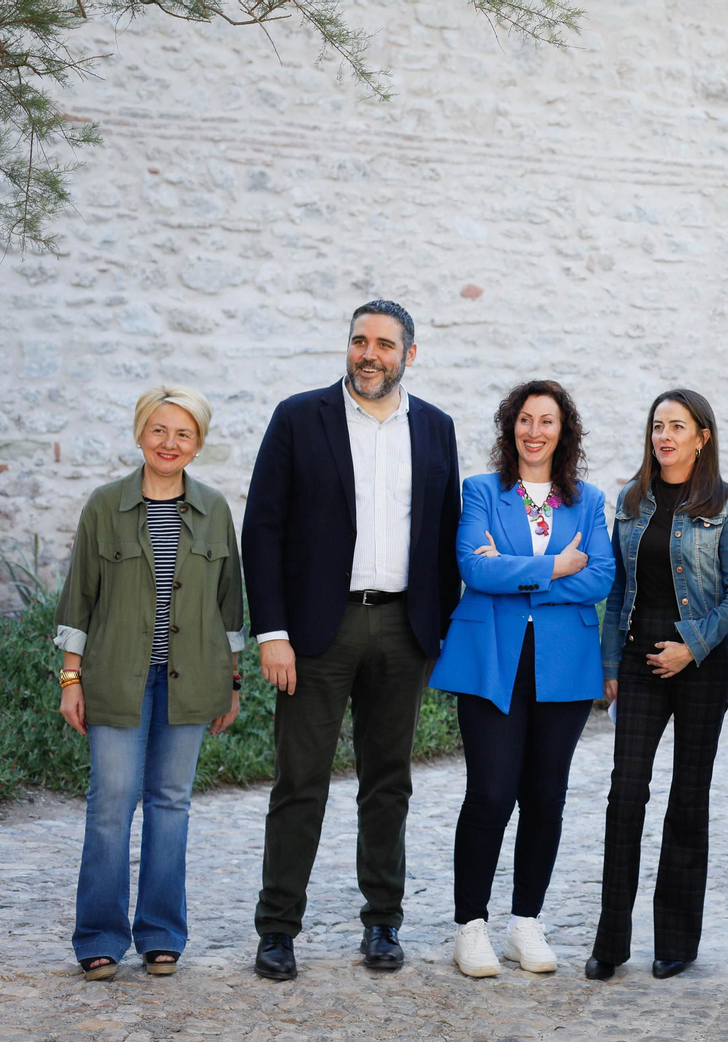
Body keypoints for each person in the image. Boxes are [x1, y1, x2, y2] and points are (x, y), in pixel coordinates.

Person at [242, 299, 462, 980]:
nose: (370, 354)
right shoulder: (298, 417)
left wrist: (437, 631)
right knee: (300, 782)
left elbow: (444, 531)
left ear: (409, 355)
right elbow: (263, 529)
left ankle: (383, 923)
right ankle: (277, 929)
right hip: (315, 630)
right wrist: (272, 632)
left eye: (385, 345)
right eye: (360, 341)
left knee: (388, 782)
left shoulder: (435, 428)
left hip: (403, 627)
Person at [54, 385, 243, 980]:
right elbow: (78, 597)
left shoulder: (215, 509)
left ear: (198, 444)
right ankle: (99, 938)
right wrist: (70, 678)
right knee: (111, 806)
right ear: (141, 434)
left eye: (184, 434)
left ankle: (162, 934)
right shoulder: (104, 505)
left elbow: (228, 604)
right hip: (115, 678)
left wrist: (231, 682)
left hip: (191, 680)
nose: (170, 443)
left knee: (172, 805)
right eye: (160, 430)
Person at [430, 381, 615, 978]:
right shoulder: (482, 491)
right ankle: (471, 926)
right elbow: (471, 567)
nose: (535, 432)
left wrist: (521, 574)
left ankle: (525, 924)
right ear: (511, 427)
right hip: (492, 661)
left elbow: (602, 576)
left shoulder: (587, 500)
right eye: (525, 420)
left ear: (565, 433)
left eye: (548, 422)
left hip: (563, 666)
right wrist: (557, 567)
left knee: (545, 797)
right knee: (489, 794)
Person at [586, 389, 728, 981]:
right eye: (658, 425)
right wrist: (609, 666)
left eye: (677, 426)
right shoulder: (632, 502)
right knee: (625, 795)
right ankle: (610, 941)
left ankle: (676, 941)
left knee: (688, 797)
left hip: (700, 658)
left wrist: (695, 646)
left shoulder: (724, 505)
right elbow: (615, 589)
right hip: (638, 653)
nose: (664, 436)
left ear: (701, 436)